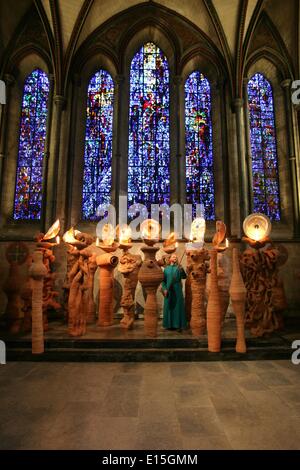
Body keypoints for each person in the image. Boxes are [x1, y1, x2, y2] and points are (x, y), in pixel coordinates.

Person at [161, 254, 187, 330]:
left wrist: (182, 269)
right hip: (168, 290)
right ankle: (168, 325)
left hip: (177, 290)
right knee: (168, 306)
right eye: (173, 257)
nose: (175, 258)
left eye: (176, 257)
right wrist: (164, 289)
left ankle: (177, 324)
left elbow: (184, 277)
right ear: (170, 259)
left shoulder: (179, 268)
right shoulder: (166, 269)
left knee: (177, 306)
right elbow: (163, 281)